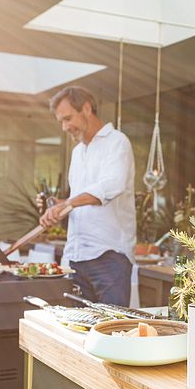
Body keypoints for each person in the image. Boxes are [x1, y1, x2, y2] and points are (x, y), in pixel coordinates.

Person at [39, 86, 136, 306]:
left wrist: (69, 203)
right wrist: (57, 205)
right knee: (79, 332)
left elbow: (111, 185)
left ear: (86, 108)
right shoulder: (78, 152)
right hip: (76, 257)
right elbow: (79, 200)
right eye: (61, 122)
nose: (65, 127)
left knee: (111, 334)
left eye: (68, 118)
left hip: (109, 258)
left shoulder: (117, 142)